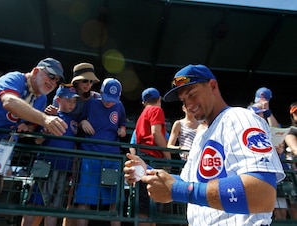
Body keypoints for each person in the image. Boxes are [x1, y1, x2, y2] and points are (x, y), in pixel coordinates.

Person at [124, 64, 285, 226]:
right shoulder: (201, 134)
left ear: (212, 86)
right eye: (183, 100)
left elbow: (262, 194)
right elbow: (188, 182)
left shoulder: (240, 118)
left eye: (192, 94)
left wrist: (178, 191)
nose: (188, 104)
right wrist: (148, 171)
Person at [0, 57, 68, 226]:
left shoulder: (41, 100)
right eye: (51, 76)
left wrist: (30, 128)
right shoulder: (15, 78)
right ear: (37, 71)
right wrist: (44, 119)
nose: (53, 82)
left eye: (57, 80)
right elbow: (9, 101)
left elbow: (29, 126)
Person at [21, 86, 79, 226]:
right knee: (35, 204)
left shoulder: (74, 121)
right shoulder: (48, 116)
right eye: (68, 100)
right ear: (58, 100)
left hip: (64, 168)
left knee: (54, 207)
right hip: (45, 165)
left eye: (74, 101)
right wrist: (46, 133)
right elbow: (37, 140)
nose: (71, 103)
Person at [74, 78, 126, 226]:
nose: (110, 103)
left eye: (113, 100)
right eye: (107, 98)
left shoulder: (119, 106)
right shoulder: (91, 103)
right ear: (101, 92)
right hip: (90, 157)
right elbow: (79, 120)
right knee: (85, 199)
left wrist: (122, 129)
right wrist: (82, 122)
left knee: (114, 200)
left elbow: (122, 123)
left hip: (111, 159)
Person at [131, 87, 171, 226]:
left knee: (145, 201)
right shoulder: (157, 110)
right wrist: (167, 156)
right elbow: (156, 133)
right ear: (159, 99)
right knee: (154, 200)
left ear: (144, 102)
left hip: (143, 157)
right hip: (153, 158)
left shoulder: (142, 114)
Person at [247, 105, 289, 219]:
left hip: (272, 176)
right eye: (259, 115)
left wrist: (279, 151)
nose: (262, 118)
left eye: (263, 116)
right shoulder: (245, 131)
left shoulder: (268, 131)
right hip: (255, 177)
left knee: (281, 210)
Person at [284, 102, 297, 219]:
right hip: (295, 176)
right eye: (296, 113)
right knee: (295, 204)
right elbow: (295, 149)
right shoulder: (291, 131)